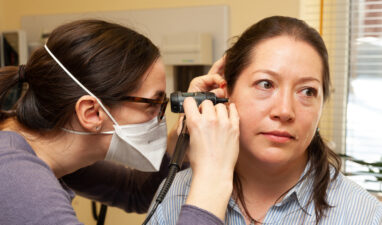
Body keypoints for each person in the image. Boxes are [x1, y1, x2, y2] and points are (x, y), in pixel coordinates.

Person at [146, 16, 382, 225]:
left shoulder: (364, 215)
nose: (285, 110)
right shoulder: (176, 195)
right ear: (224, 93)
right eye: (266, 84)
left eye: (308, 91)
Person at [0, 19, 240, 225]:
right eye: (151, 104)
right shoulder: (14, 174)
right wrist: (213, 175)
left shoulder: (42, 145)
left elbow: (137, 193)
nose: (158, 117)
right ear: (92, 112)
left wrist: (180, 142)